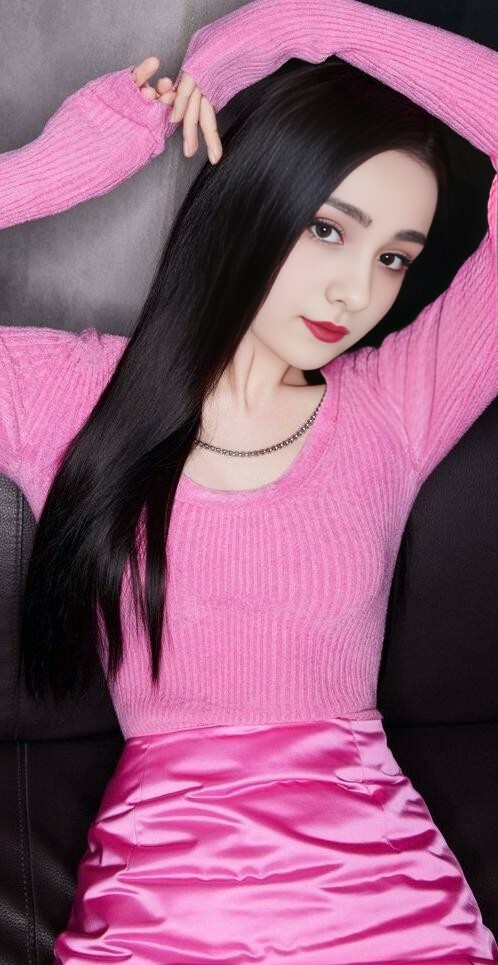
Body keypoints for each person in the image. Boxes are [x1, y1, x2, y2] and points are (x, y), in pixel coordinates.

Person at [1, 0, 497, 961]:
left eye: (394, 257)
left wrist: (305, 21)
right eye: (328, 231)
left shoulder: (400, 400)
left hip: (392, 916)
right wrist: (52, 169)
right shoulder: (63, 396)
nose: (358, 292)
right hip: (162, 916)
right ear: (247, 198)